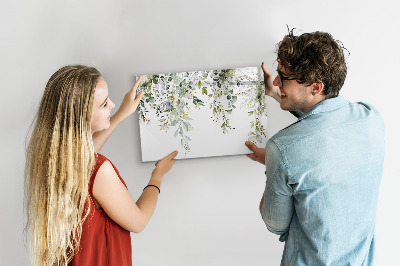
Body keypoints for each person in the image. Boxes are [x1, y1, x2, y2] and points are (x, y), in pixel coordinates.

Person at [245, 30, 385, 265]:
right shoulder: (371, 118)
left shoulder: (282, 149)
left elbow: (275, 224)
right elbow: (324, 124)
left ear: (316, 87)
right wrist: (278, 94)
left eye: (284, 77)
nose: (277, 81)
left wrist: (273, 162)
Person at [24, 65, 177, 266]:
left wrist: (122, 113)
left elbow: (86, 156)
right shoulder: (99, 170)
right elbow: (138, 221)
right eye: (105, 104)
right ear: (81, 117)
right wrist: (157, 175)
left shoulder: (53, 160)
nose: (112, 104)